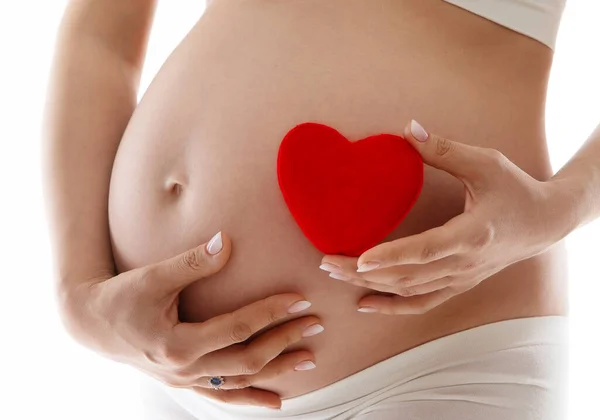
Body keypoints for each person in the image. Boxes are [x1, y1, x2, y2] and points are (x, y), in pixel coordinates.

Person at [42, 0, 597, 419]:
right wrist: (78, 293)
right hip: (172, 372)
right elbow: (101, 34)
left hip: (437, 364)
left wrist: (558, 208)